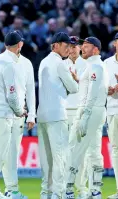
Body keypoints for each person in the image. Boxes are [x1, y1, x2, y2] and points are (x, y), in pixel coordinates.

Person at [0, 30, 36, 199]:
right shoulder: (0, 61)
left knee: (10, 153)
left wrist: (32, 114)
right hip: (5, 114)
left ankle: (11, 189)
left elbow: (30, 90)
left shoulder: (25, 63)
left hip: (13, 116)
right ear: (20, 44)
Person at [66, 37, 109, 199]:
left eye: (86, 46)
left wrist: (85, 115)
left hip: (89, 111)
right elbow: (90, 87)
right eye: (82, 46)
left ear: (96, 49)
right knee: (94, 150)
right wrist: (78, 79)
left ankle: (68, 189)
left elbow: (93, 93)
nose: (82, 49)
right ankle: (95, 190)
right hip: (95, 111)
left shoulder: (96, 66)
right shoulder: (94, 65)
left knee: (75, 148)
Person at [37, 32, 79, 199]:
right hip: (57, 115)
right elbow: (74, 88)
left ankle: (46, 193)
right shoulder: (60, 64)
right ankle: (58, 194)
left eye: (69, 45)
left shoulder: (42, 62)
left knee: (46, 159)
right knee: (59, 157)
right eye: (65, 45)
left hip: (42, 115)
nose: (68, 48)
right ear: (55, 45)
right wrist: (74, 80)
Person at [64, 36, 89, 199]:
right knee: (66, 153)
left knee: (81, 153)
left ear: (80, 48)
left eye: (75, 46)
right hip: (64, 111)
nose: (72, 49)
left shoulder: (87, 65)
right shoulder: (62, 64)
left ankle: (82, 188)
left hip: (80, 111)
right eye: (69, 46)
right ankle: (68, 188)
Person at [104, 32, 118, 199]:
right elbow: (101, 86)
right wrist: (108, 89)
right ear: (115, 44)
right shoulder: (106, 63)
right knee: (116, 150)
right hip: (113, 109)